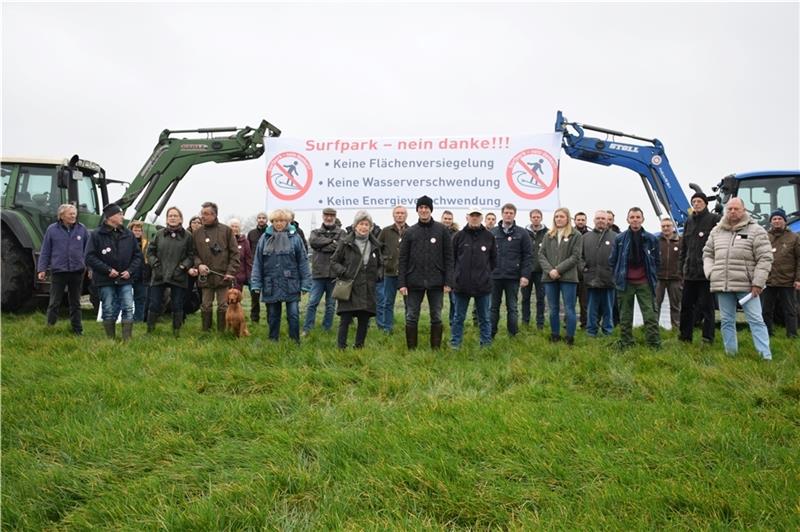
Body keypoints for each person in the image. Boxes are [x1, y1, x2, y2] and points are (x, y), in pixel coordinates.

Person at [703, 198, 773, 359]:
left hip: (747, 286)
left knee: (756, 320)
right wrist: (711, 273)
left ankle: (765, 356)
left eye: (736, 209)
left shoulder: (756, 230)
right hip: (723, 284)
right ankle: (731, 355)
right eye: (729, 209)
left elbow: (765, 258)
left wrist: (758, 282)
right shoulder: (717, 231)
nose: (732, 212)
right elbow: (707, 253)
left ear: (744, 210)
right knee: (727, 321)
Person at [398, 195, 454, 349]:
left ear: (431, 210)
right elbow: (402, 259)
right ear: (417, 210)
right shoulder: (409, 232)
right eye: (421, 208)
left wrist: (448, 281)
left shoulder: (442, 230)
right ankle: (412, 349)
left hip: (437, 282)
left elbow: (449, 258)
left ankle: (435, 349)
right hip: (413, 282)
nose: (424, 210)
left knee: (436, 317)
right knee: (411, 317)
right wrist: (402, 283)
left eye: (426, 208)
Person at [250, 208, 312, 342]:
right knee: (273, 314)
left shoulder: (295, 238)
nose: (279, 223)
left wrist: (306, 283)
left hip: (291, 282)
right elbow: (258, 262)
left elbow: (303, 261)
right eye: (276, 221)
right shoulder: (264, 238)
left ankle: (294, 341)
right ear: (272, 222)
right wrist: (256, 283)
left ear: (287, 222)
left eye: (282, 221)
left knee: (293, 314)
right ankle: (273, 340)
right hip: (270, 282)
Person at [85, 203, 143, 340]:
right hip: (105, 280)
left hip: (125, 279)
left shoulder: (128, 234)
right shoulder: (96, 235)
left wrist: (130, 271)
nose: (122, 217)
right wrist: (107, 270)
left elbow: (137, 255)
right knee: (108, 309)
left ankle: (127, 339)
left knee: (128, 307)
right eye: (119, 214)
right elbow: (89, 257)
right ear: (110, 217)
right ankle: (110, 339)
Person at [609, 207, 661, 349]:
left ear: (642, 219)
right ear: (628, 220)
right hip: (625, 283)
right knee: (625, 316)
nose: (635, 220)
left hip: (645, 282)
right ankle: (626, 343)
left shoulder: (651, 239)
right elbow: (612, 261)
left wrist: (653, 276)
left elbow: (657, 261)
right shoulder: (620, 239)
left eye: (638, 217)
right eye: (632, 217)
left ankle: (653, 344)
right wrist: (617, 277)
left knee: (650, 315)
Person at [330, 211, 383, 348]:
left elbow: (381, 264)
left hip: (367, 288)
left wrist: (378, 275)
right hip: (350, 286)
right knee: (345, 319)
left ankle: (359, 346)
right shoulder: (346, 242)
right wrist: (344, 272)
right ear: (355, 226)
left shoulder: (375, 244)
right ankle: (341, 347)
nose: (364, 227)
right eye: (361, 224)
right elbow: (334, 262)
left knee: (364, 320)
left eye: (367, 224)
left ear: (370, 227)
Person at [37, 203, 89, 335]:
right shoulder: (52, 230)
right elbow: (45, 250)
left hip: (77, 272)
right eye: (70, 213)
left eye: (74, 213)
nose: (73, 216)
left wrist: (90, 268)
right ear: (61, 216)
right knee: (54, 302)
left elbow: (88, 251)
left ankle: (77, 330)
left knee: (75, 303)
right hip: (59, 271)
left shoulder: (82, 229)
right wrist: (42, 269)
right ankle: (49, 328)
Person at [146, 206, 196, 336]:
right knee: (154, 303)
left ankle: (176, 331)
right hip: (159, 274)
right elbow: (150, 252)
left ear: (181, 219)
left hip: (178, 276)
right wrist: (155, 265)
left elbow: (191, 255)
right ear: (167, 219)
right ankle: (150, 330)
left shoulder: (188, 236)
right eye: (170, 216)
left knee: (177, 304)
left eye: (175, 216)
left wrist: (182, 268)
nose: (172, 218)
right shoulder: (159, 234)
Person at [450, 207, 497, 348]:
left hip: (483, 285)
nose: (474, 218)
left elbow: (494, 260)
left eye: (477, 215)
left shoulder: (489, 237)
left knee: (485, 318)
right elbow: (451, 260)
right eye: (472, 215)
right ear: (467, 217)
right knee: (458, 317)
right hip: (461, 285)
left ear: (482, 218)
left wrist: (486, 275)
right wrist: (455, 277)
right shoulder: (458, 236)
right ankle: (455, 345)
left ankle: (486, 345)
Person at [679, 192, 720, 344]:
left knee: (707, 308)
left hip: (706, 274)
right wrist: (681, 269)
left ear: (705, 203)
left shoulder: (714, 219)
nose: (696, 204)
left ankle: (707, 338)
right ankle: (684, 337)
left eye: (699, 201)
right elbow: (684, 248)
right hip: (689, 273)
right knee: (686, 307)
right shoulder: (688, 221)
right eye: (694, 201)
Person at [192, 202, 240, 332]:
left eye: (206, 214)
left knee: (223, 306)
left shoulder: (226, 231)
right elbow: (193, 253)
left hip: (223, 276)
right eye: (202, 214)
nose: (203, 216)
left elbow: (235, 253)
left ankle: (222, 332)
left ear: (214, 214)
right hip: (205, 276)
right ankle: (206, 331)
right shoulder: (197, 233)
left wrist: (230, 271)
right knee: (206, 305)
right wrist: (199, 264)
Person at [540, 207, 582, 344]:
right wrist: (550, 271)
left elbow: (575, 256)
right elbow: (541, 255)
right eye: (556, 216)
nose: (559, 219)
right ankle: (555, 335)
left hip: (568, 277)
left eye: (561, 216)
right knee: (553, 308)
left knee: (569, 308)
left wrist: (558, 270)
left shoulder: (575, 235)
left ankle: (570, 337)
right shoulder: (548, 235)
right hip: (549, 277)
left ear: (567, 218)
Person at [490, 203, 532, 339]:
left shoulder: (522, 233)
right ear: (502, 214)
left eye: (511, 213)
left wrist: (525, 275)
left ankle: (513, 335)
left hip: (513, 277)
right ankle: (490, 334)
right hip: (494, 276)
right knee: (493, 307)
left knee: (512, 308)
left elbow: (527, 256)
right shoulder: (492, 233)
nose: (508, 215)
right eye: (506, 212)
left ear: (515, 215)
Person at [304, 207, 346, 335]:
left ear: (335, 216)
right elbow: (314, 242)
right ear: (323, 216)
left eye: (331, 215)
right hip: (318, 274)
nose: (329, 218)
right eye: (326, 215)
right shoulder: (315, 232)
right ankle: (307, 328)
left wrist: (322, 246)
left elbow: (340, 247)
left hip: (333, 274)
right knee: (312, 303)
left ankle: (326, 329)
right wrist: (331, 242)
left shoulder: (342, 233)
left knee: (331, 305)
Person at [762, 209, 800, 338]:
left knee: (790, 310)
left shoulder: (794, 237)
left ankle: (792, 335)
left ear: (785, 221)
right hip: (768, 279)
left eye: (779, 219)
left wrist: (798, 279)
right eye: (774, 219)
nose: (777, 221)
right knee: (766, 310)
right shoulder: (764, 237)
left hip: (787, 280)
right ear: (771, 221)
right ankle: (767, 334)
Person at [582, 210, 617, 337]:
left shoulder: (615, 237)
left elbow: (619, 258)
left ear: (608, 220)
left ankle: (608, 331)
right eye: (598, 218)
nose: (600, 220)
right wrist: (584, 269)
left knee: (608, 308)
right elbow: (580, 257)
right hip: (591, 278)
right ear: (594, 220)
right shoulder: (585, 237)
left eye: (603, 218)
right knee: (591, 308)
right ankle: (591, 331)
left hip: (609, 278)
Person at [377, 205, 409, 333]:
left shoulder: (411, 231)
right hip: (389, 273)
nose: (400, 215)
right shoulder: (385, 231)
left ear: (406, 215)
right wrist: (385, 260)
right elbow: (377, 248)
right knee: (388, 303)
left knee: (409, 303)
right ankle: (387, 328)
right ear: (393, 215)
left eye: (402, 213)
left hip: (406, 274)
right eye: (397, 213)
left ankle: (409, 327)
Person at [522, 208, 548, 329]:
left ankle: (540, 323)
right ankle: (525, 322)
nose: (536, 219)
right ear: (530, 218)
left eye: (538, 217)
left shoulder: (547, 233)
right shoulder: (524, 232)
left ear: (541, 218)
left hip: (541, 271)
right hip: (527, 271)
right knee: (525, 298)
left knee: (540, 298)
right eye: (534, 217)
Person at [656, 215, 682, 330]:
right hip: (659, 278)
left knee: (675, 305)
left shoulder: (680, 241)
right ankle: (654, 329)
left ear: (673, 227)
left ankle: (676, 329)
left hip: (675, 278)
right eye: (663, 226)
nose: (665, 228)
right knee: (656, 305)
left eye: (668, 226)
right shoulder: (655, 241)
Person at [247, 211, 269, 322]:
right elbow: (248, 250)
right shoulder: (251, 234)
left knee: (269, 296)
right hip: (255, 269)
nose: (261, 219)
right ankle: (254, 319)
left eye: (263, 218)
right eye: (259, 218)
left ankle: (271, 318)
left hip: (269, 268)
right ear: (257, 220)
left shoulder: (271, 233)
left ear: (267, 220)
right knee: (254, 296)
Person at [128, 220, 150, 322]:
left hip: (142, 275)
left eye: (139, 230)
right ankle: (126, 319)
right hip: (128, 274)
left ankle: (139, 320)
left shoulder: (146, 244)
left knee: (141, 299)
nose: (137, 232)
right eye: (135, 230)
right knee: (126, 299)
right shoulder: (125, 243)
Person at [573, 211, 590, 328]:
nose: (580, 222)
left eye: (583, 220)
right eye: (578, 220)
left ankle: (585, 324)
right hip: (571, 274)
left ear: (586, 221)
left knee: (585, 303)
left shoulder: (590, 236)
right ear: (575, 221)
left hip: (585, 275)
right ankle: (569, 324)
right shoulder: (570, 234)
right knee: (570, 302)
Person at [227, 218, 252, 291]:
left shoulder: (245, 241)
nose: (234, 228)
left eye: (236, 226)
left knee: (236, 300)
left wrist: (249, 276)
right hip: (225, 276)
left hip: (239, 277)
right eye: (232, 226)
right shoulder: (224, 240)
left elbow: (248, 260)